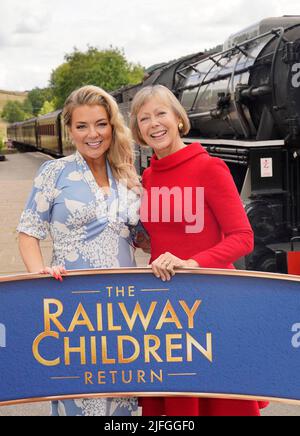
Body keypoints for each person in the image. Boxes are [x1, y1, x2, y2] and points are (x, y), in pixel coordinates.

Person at [130, 84, 268, 416]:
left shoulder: (210, 168)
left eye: (161, 113)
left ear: (179, 118)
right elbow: (162, 235)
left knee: (217, 399)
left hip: (211, 297)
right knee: (176, 406)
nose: (154, 124)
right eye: (144, 118)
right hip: (164, 302)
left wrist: (192, 262)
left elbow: (242, 238)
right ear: (137, 129)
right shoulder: (147, 177)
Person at [17, 85, 141, 417]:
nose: (93, 134)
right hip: (73, 307)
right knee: (78, 394)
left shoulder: (126, 173)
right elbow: (28, 233)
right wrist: (37, 273)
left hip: (125, 309)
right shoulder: (54, 173)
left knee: (122, 401)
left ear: (112, 125)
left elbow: (142, 236)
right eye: (82, 126)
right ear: (70, 130)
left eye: (101, 124)